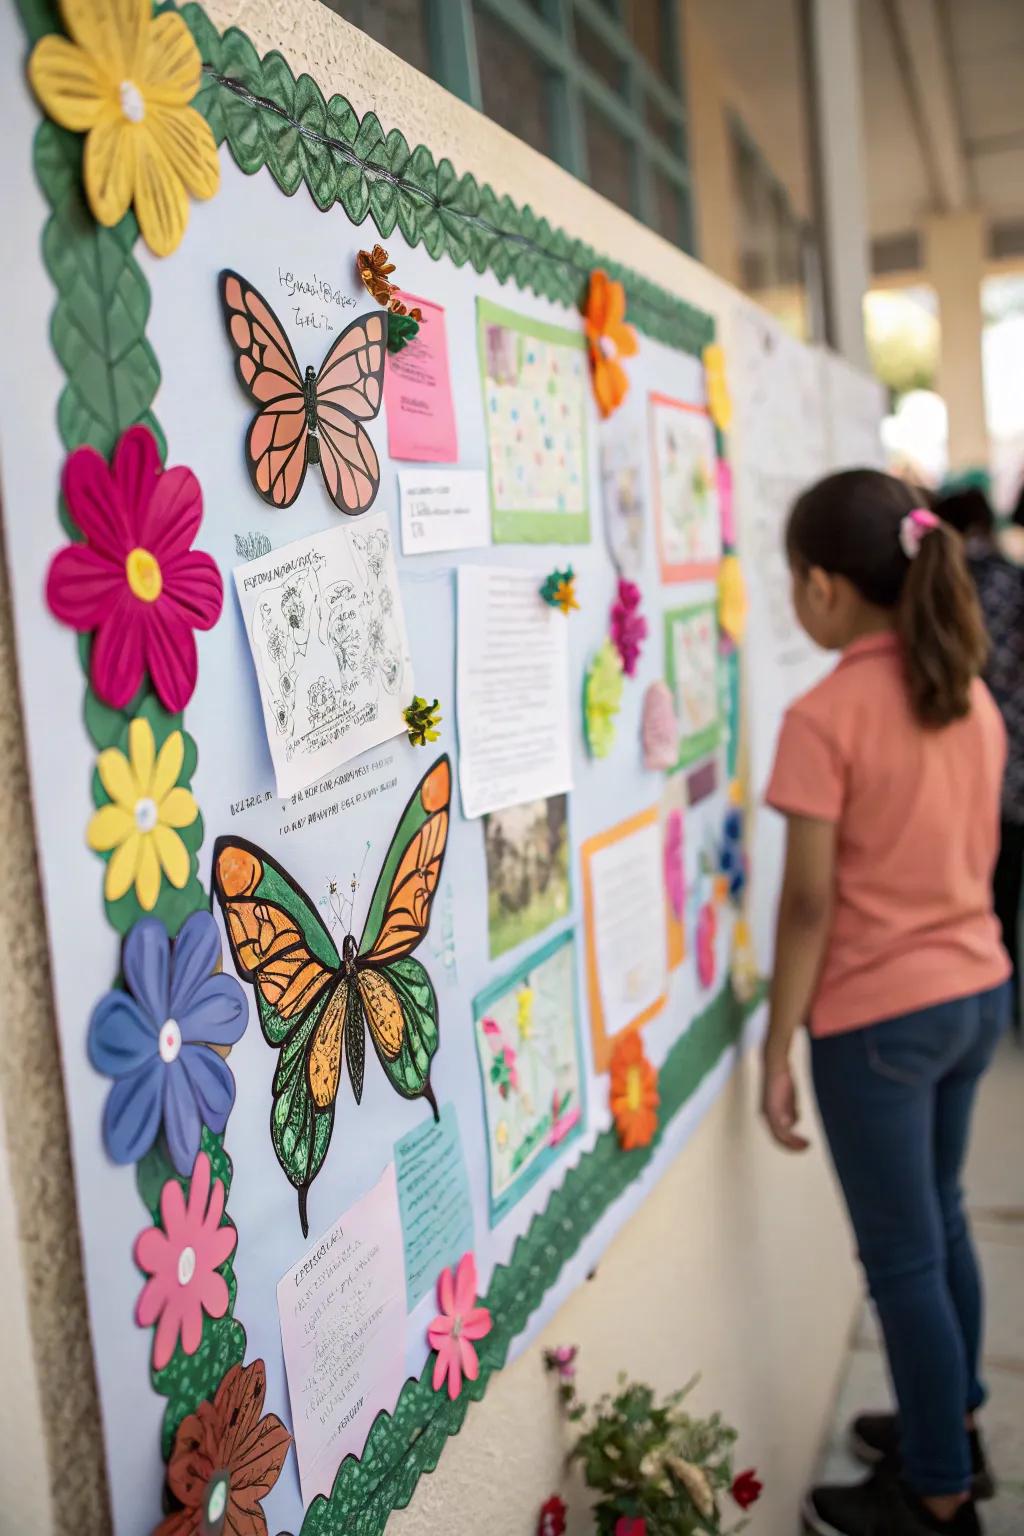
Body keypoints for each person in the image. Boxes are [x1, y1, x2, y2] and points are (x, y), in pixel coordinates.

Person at [761, 469, 1010, 1536]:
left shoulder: (822, 717)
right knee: (941, 1224)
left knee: (901, 1257)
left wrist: (778, 1045)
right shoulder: (962, 691)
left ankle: (938, 1489)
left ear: (821, 588)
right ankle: (948, 1423)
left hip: (877, 1028)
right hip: (977, 997)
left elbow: (809, 903)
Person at [937, 485, 1024, 1033]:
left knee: (995, 891)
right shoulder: (1012, 579)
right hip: (1011, 762)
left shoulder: (960, 588)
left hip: (987, 770)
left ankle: (1000, 996)